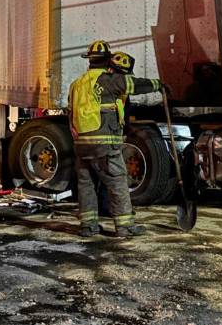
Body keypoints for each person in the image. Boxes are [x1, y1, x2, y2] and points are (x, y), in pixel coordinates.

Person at [68, 42, 164, 238]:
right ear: (108, 60)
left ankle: (88, 226)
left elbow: (70, 113)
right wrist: (159, 85)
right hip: (104, 142)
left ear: (89, 60)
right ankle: (125, 226)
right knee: (117, 181)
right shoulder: (109, 80)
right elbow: (135, 85)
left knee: (86, 184)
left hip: (81, 144)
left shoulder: (76, 84)